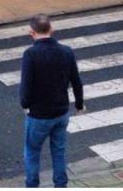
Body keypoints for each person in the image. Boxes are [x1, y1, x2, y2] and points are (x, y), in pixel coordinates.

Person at [20, 14, 84, 188]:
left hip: (38, 115)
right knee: (59, 152)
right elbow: (76, 81)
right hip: (61, 112)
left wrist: (25, 105)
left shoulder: (31, 54)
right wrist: (79, 104)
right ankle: (61, 185)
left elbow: (26, 85)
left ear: (31, 32)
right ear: (51, 30)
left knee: (32, 152)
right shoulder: (66, 51)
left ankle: (32, 185)